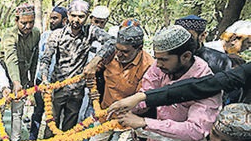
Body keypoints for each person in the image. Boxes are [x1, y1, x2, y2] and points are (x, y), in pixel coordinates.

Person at [39, 0, 115, 141]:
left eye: (81, 16)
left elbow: (112, 42)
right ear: (68, 15)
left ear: (86, 17)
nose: (76, 20)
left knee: (70, 129)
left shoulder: (90, 31)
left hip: (77, 90)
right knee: (51, 125)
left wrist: (96, 60)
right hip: (58, 87)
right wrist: (44, 79)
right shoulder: (57, 34)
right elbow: (45, 59)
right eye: (73, 15)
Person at [86, 24, 154, 141]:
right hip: (105, 113)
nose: (119, 54)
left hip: (130, 118)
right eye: (118, 49)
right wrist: (94, 94)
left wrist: (129, 113)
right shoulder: (111, 56)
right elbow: (92, 72)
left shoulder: (149, 66)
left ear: (139, 49)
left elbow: (143, 100)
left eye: (125, 51)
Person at [107, 62, 251, 114]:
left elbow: (196, 129)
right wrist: (141, 97)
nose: (159, 64)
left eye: (163, 59)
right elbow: (197, 87)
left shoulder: (201, 69)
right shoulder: (246, 71)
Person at [2, 3, 40, 141]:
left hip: (23, 78)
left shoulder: (36, 33)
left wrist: (31, 80)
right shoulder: (9, 35)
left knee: (17, 112)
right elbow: (11, 59)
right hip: (4, 79)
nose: (28, 26)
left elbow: (35, 58)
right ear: (16, 20)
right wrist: (15, 82)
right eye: (24, 23)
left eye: (31, 22)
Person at [30, 6, 67, 141]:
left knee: (54, 116)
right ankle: (32, 140)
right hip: (42, 81)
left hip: (58, 83)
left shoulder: (68, 38)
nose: (51, 21)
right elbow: (39, 59)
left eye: (55, 18)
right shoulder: (45, 35)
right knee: (38, 111)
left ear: (64, 20)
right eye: (51, 18)